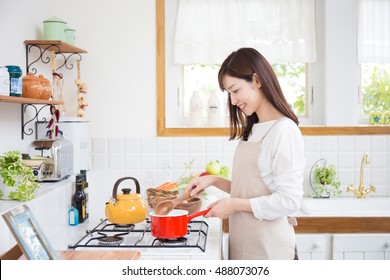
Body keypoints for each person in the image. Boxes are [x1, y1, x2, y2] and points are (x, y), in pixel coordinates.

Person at [187, 47, 305, 260]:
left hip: (270, 250)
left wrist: (232, 205)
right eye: (229, 94)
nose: (233, 101)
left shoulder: (284, 131)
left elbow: (289, 200)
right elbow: (252, 191)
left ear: (257, 80)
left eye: (235, 90)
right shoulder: (253, 129)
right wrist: (213, 180)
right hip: (243, 246)